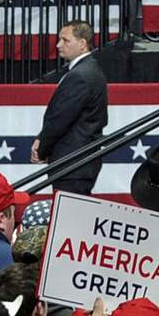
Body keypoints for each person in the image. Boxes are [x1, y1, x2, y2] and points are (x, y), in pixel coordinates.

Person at [29, 21, 109, 197]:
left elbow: (60, 119)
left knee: (69, 220)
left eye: (65, 40)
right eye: (59, 40)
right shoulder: (88, 70)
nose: (58, 45)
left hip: (72, 164)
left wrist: (42, 148)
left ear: (82, 44)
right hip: (78, 163)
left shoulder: (80, 75)